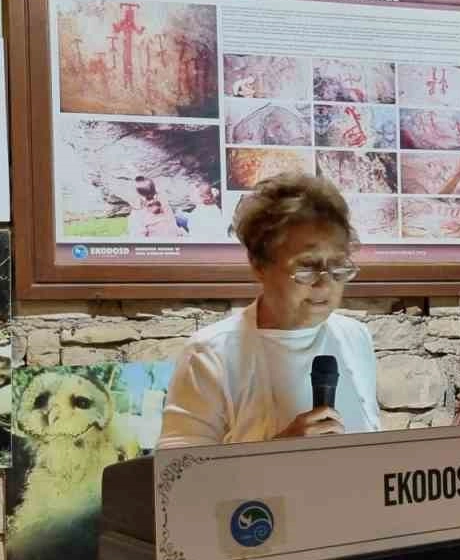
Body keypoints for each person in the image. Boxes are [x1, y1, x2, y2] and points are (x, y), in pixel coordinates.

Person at [158, 173, 380, 448]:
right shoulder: (209, 354)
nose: (325, 283)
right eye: (307, 266)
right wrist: (276, 453)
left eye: (338, 266)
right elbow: (180, 471)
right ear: (259, 265)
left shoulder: (355, 337)